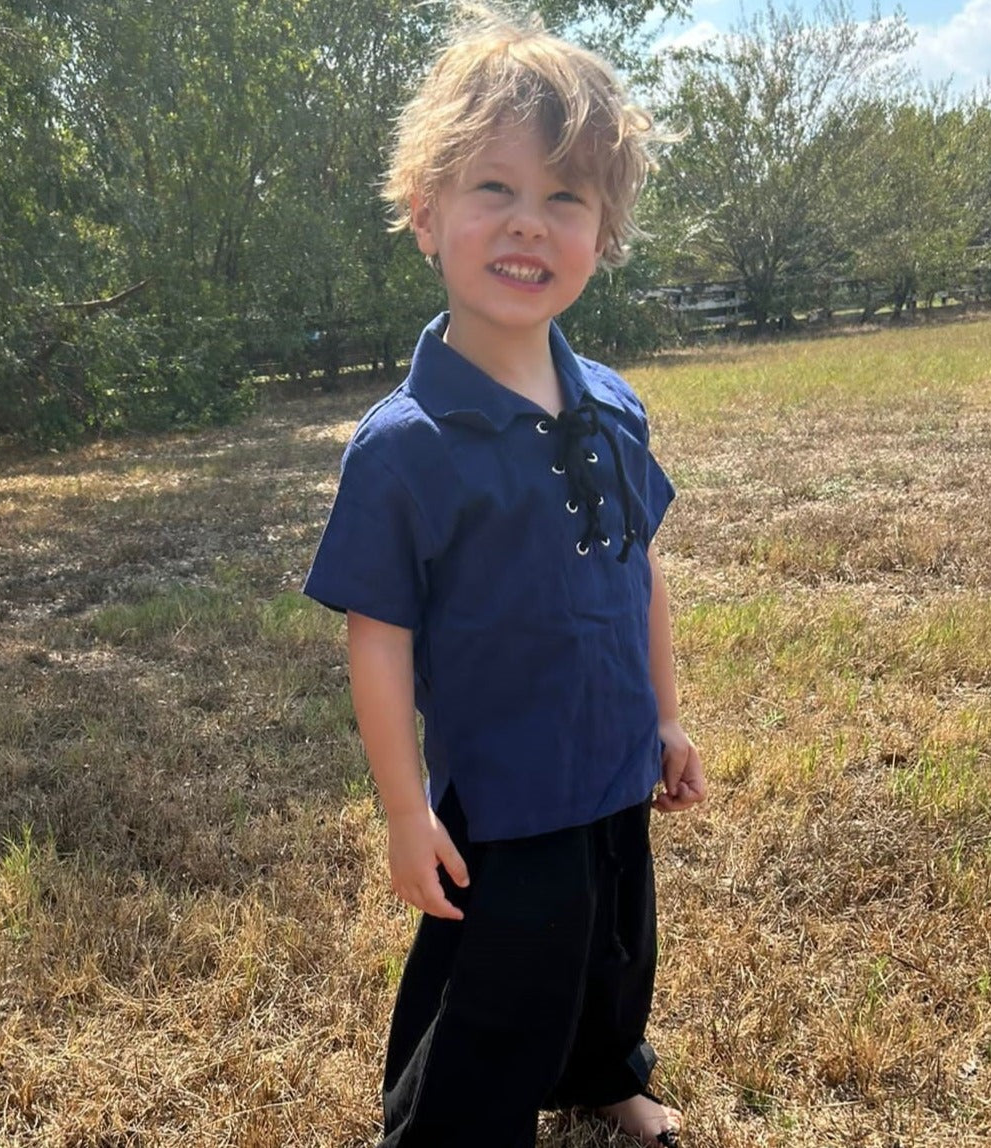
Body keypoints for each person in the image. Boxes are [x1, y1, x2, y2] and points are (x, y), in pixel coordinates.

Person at [303, 7, 706, 1146]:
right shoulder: (406, 444)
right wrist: (403, 809)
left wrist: (666, 717)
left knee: (614, 945)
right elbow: (378, 634)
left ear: (603, 232)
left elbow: (639, 568)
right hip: (507, 791)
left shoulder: (613, 404)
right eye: (495, 187)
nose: (530, 221)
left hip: (615, 764)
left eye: (565, 197)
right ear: (425, 211)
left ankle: (603, 1072)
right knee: (498, 986)